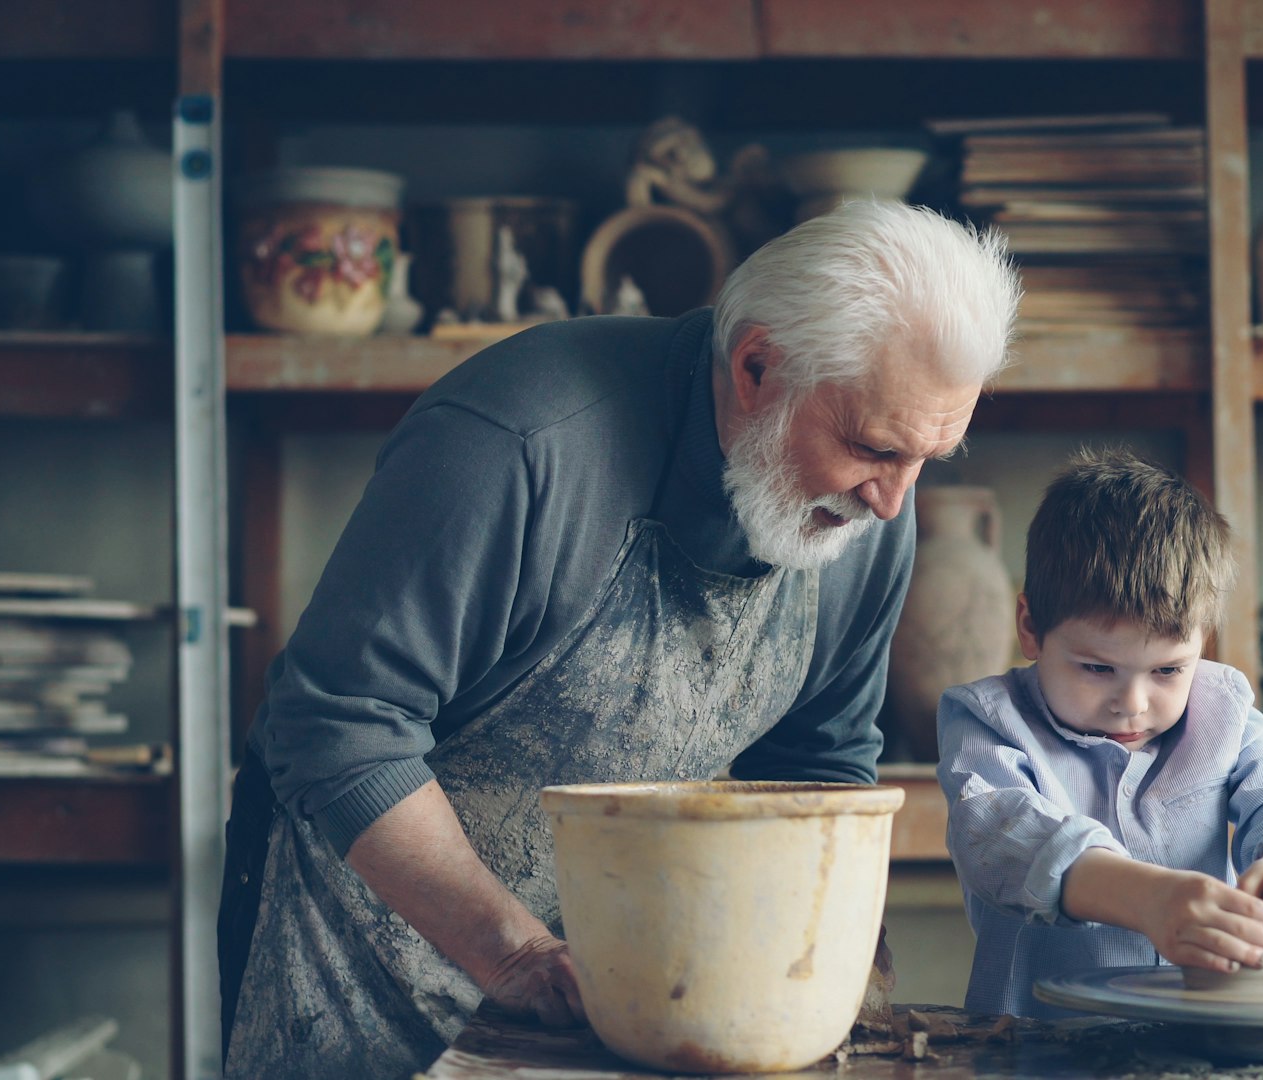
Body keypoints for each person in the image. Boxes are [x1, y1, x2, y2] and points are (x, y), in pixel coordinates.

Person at [219, 200, 1022, 1077]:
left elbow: (816, 765)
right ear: (757, 366)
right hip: (359, 952)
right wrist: (514, 954)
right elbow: (338, 725)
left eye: (925, 459)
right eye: (873, 448)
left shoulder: (866, 516)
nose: (893, 503)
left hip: (600, 971)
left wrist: (813, 977)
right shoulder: (517, 442)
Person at [935, 449, 1263, 1018]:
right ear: (1030, 628)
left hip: (1197, 1042)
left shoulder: (1224, 713)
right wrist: (1151, 900)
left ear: (1202, 642)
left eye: (1167, 670)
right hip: (1029, 1045)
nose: (1132, 705)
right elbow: (1001, 839)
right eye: (1097, 668)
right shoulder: (989, 719)